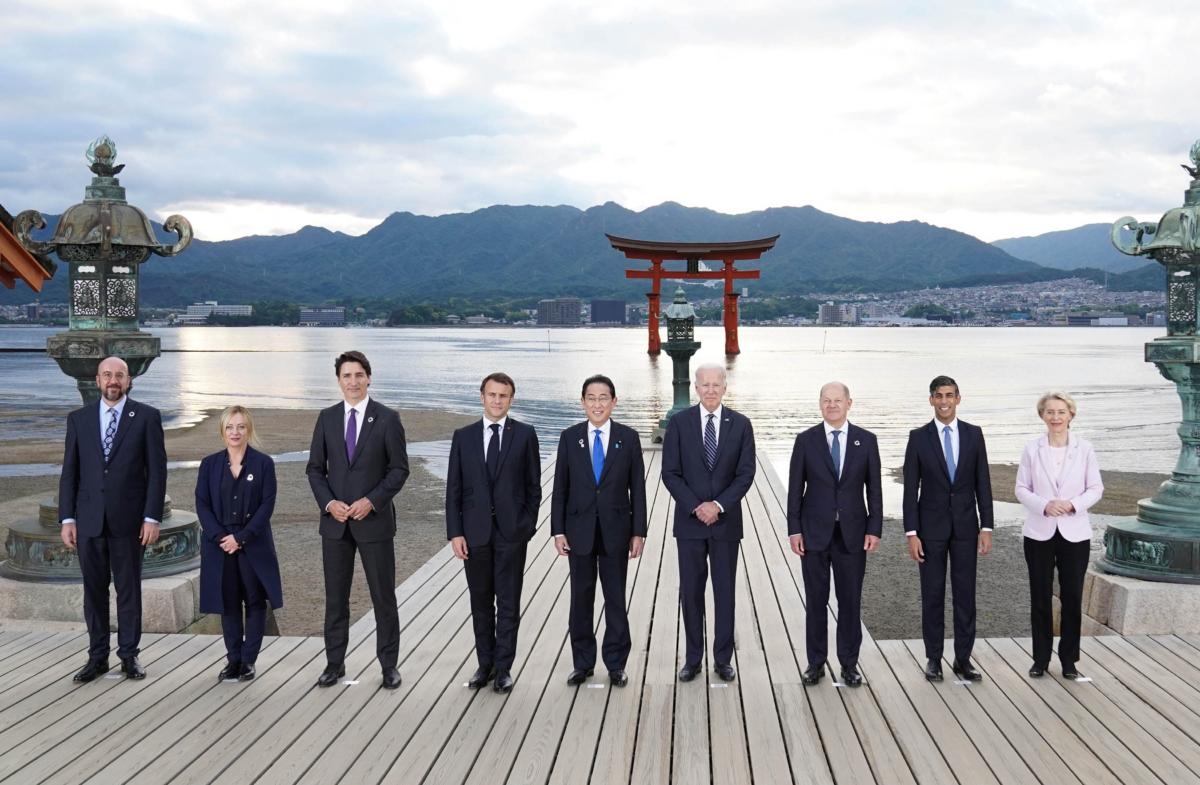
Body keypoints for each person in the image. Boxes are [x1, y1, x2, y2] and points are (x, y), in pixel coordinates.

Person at [58, 356, 166, 682]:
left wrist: (151, 517)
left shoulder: (146, 417)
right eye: (107, 374)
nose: (113, 380)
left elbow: (156, 474)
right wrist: (67, 519)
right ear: (97, 379)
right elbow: (70, 474)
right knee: (94, 592)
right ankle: (97, 658)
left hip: (130, 522)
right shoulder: (79, 419)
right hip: (88, 521)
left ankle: (129, 656)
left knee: (128, 590)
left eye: (119, 375)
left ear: (129, 380)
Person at [306, 350, 409, 690]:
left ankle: (389, 667)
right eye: (346, 376)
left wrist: (372, 501)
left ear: (368, 378)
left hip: (374, 523)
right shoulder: (326, 418)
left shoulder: (387, 418)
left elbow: (398, 470)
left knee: (383, 598)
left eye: (358, 375)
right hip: (335, 525)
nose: (353, 381)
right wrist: (329, 503)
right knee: (336, 599)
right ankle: (334, 664)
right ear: (339, 381)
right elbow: (315, 470)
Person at [446, 372, 542, 693]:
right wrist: (455, 533)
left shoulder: (526, 435)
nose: (497, 400)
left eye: (503, 395)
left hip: (512, 533)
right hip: (474, 534)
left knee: (510, 602)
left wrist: (526, 527)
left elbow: (533, 488)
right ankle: (484, 665)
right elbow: (453, 491)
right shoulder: (463, 437)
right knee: (481, 602)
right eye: (492, 395)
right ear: (482, 396)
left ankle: (503, 668)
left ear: (511, 399)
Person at [661, 362, 756, 683]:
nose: (711, 390)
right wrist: (695, 506)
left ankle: (722, 659)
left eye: (717, 384)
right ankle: (692, 659)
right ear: (696, 388)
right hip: (689, 524)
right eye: (705, 385)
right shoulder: (679, 423)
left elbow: (746, 474)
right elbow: (670, 473)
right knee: (691, 592)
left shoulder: (741, 425)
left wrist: (717, 505)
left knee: (724, 591)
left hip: (726, 523)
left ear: (725, 388)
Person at [551, 374, 647, 688]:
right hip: (578, 531)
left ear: (614, 402)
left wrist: (638, 532)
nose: (597, 404)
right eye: (591, 398)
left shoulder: (628, 438)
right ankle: (582, 663)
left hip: (616, 531)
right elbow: (560, 489)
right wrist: (558, 530)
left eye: (603, 397)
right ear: (582, 403)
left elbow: (638, 490)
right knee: (581, 598)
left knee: (615, 598)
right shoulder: (569, 437)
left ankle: (616, 664)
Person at [787, 382, 882, 687]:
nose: (832, 406)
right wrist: (794, 530)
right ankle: (815, 664)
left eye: (837, 400)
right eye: (826, 401)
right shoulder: (806, 441)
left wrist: (874, 529)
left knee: (850, 601)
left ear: (849, 403)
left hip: (853, 534)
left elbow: (875, 491)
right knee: (816, 600)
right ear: (820, 404)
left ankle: (849, 664)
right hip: (814, 534)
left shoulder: (866, 441)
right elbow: (795, 491)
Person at [902, 375, 994, 682]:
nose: (944, 401)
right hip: (930, 530)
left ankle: (963, 659)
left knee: (965, 595)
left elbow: (983, 483)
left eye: (949, 395)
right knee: (932, 595)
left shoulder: (973, 434)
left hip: (967, 528)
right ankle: (933, 659)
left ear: (958, 398)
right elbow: (910, 490)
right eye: (939, 395)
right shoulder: (918, 437)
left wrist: (987, 527)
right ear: (931, 399)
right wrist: (911, 533)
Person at [1015, 392, 1103, 680]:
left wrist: (1073, 505)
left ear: (1071, 416)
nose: (1055, 417)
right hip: (1039, 532)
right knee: (1039, 596)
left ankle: (1069, 661)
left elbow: (1095, 489)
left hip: (1074, 532)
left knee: (1072, 597)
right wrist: (1044, 505)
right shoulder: (1031, 449)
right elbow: (1021, 489)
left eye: (1061, 412)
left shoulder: (1085, 448)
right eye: (1050, 412)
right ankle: (1040, 659)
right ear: (1042, 415)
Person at [196, 406, 284, 682]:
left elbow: (267, 505)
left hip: (252, 544)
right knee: (229, 603)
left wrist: (241, 538)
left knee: (256, 602)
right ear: (222, 430)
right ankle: (233, 659)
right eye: (230, 427)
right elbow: (202, 503)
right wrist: (221, 537)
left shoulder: (263, 464)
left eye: (241, 427)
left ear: (249, 430)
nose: (235, 432)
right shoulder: (209, 464)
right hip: (219, 544)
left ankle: (248, 661)